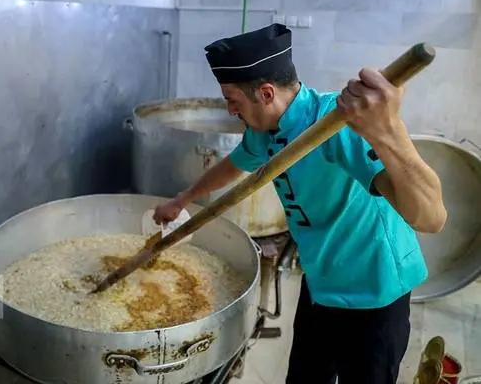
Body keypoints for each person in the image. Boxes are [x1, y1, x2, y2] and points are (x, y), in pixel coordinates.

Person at [152, 23, 447, 384]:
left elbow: (431, 218)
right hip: (321, 281)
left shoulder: (335, 124)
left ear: (266, 93)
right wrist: (183, 198)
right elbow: (235, 164)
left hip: (374, 290)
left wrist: (388, 131)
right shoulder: (264, 129)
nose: (230, 109)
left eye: (233, 100)